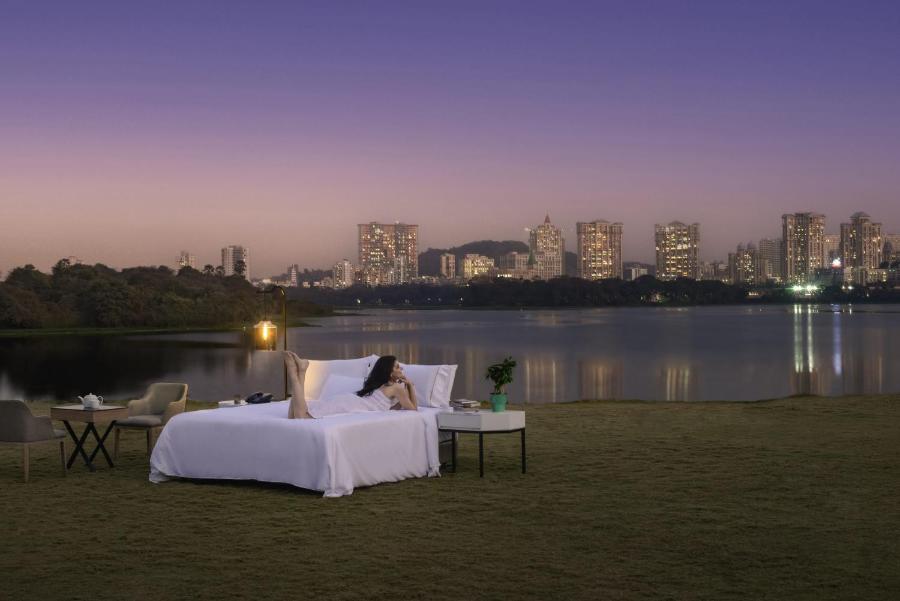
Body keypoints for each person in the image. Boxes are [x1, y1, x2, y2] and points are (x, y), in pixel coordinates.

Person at [284, 352, 417, 419]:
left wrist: (407, 389)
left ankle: (299, 371)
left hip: (350, 400)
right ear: (389, 371)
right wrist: (410, 385)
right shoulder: (396, 388)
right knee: (301, 416)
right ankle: (297, 373)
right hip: (352, 405)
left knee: (293, 416)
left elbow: (393, 408)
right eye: (397, 367)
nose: (401, 369)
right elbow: (414, 409)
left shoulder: (382, 386)